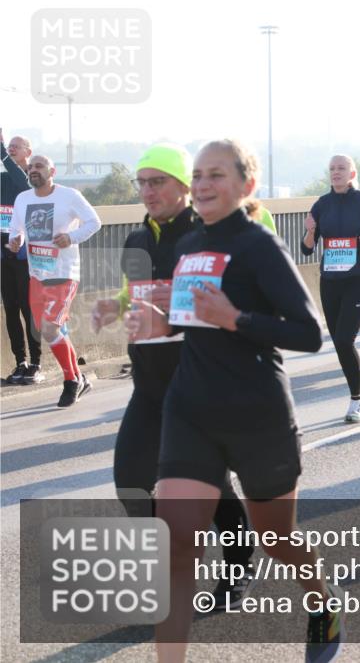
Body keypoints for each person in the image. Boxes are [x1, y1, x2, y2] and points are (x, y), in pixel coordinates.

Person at [125, 139, 340, 663]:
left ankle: (320, 601)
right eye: (197, 175)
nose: (201, 185)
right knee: (177, 547)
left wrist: (236, 319)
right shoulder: (187, 246)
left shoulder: (259, 246)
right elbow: (185, 318)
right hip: (191, 410)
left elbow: (310, 333)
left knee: (277, 541)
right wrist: (153, 321)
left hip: (257, 412)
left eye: (215, 175)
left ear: (247, 185)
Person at [91, 143, 256, 610]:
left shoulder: (211, 238)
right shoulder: (137, 240)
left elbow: (236, 306)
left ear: (186, 185)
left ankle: (238, 566)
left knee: (212, 484)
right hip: (149, 384)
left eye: (157, 181)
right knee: (130, 482)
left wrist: (175, 319)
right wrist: (115, 306)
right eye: (141, 182)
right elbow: (133, 294)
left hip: (201, 383)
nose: (147, 191)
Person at [302, 154, 360, 422]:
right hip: (330, 280)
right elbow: (306, 249)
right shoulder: (321, 204)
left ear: (352, 174)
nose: (336, 172)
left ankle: (356, 402)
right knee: (340, 343)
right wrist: (309, 230)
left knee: (344, 339)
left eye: (341, 168)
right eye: (332, 169)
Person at [9, 154, 101, 407]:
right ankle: (79, 378)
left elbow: (95, 222)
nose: (33, 170)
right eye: (30, 168)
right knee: (51, 331)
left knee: (49, 328)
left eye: (38, 166)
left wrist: (71, 237)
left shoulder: (68, 196)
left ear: (52, 171)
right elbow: (15, 230)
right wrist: (15, 240)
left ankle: (71, 380)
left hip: (64, 273)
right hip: (37, 274)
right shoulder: (22, 199)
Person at [0, 130, 42, 384]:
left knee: (29, 310)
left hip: (28, 256)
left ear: (28, 152)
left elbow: (23, 186)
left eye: (17, 146)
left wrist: (4, 154)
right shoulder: (4, 178)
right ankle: (20, 361)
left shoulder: (33, 177)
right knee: (11, 309)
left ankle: (36, 362)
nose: (11, 148)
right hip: (4, 253)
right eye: (9, 146)